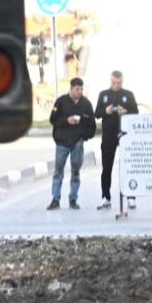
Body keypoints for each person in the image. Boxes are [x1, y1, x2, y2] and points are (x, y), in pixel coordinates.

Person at [94, 71, 139, 210]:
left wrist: (125, 112)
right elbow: (96, 114)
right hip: (108, 135)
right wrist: (106, 111)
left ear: (122, 81)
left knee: (129, 167)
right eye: (114, 83)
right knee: (106, 168)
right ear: (110, 80)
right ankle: (105, 197)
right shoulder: (103, 94)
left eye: (119, 83)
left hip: (125, 135)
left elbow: (136, 113)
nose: (116, 85)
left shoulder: (128, 94)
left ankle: (131, 197)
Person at [48, 77, 95, 210]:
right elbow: (53, 120)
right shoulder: (61, 101)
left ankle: (73, 199)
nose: (80, 92)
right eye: (77, 89)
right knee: (58, 171)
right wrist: (66, 121)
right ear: (71, 88)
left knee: (76, 171)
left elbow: (92, 125)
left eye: (81, 89)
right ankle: (55, 199)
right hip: (62, 142)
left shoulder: (86, 104)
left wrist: (84, 137)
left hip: (77, 143)